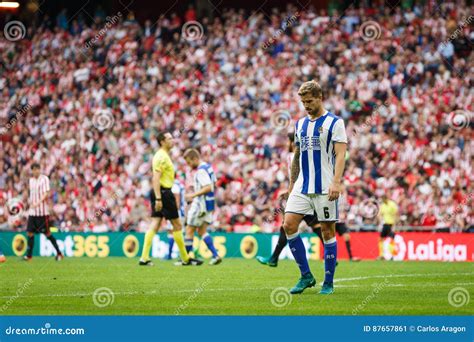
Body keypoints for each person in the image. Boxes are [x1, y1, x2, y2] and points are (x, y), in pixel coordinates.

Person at [283, 80, 347, 295]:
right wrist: (292, 183)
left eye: (309, 101)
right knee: (288, 225)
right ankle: (306, 276)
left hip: (325, 186)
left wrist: (336, 182)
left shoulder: (335, 123)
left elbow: (340, 155)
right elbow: (297, 156)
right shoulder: (300, 124)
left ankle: (328, 282)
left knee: (328, 231)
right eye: (303, 102)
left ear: (320, 98)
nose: (306, 106)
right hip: (302, 184)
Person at [256, 132, 325, 267]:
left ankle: (274, 258)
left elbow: (297, 177)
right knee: (314, 226)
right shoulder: (304, 155)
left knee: (287, 226)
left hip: (299, 196)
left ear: (292, 143)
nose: (287, 144)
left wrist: (289, 191)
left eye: (288, 141)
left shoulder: (293, 156)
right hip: (307, 194)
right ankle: (331, 256)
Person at [139, 132, 202, 266]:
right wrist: (158, 198)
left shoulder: (162, 155)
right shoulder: (162, 156)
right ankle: (185, 258)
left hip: (160, 192)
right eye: (169, 139)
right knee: (177, 225)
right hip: (164, 193)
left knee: (155, 224)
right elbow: (156, 177)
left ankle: (144, 257)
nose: (173, 141)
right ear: (162, 142)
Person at [183, 149, 222, 265]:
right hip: (209, 204)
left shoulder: (200, 171)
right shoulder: (208, 167)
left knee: (189, 230)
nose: (189, 165)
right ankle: (215, 255)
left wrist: (193, 194)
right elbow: (214, 184)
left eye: (189, 162)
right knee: (201, 231)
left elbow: (208, 187)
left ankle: (185, 259)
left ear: (195, 159)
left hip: (200, 204)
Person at [24, 163, 63, 261]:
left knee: (48, 234)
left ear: (40, 169)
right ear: (32, 171)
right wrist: (29, 203)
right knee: (29, 233)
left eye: (38, 169)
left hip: (42, 213)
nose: (36, 171)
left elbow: (46, 194)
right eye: (34, 169)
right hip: (32, 212)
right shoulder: (31, 181)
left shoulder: (44, 179)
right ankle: (29, 256)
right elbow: (31, 195)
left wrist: (37, 203)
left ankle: (59, 253)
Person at [165, 177, 186, 260]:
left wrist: (171, 211)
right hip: (181, 212)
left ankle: (170, 255)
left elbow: (177, 202)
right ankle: (184, 254)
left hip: (177, 212)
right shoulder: (179, 184)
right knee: (178, 233)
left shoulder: (175, 185)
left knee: (173, 232)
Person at [377, 194, 399, 260]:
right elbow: (379, 214)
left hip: (391, 224)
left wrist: (395, 225)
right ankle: (381, 255)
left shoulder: (392, 204)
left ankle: (392, 255)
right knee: (381, 239)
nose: (383, 201)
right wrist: (381, 221)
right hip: (385, 224)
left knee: (391, 239)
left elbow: (396, 214)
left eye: (383, 200)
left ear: (386, 199)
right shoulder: (383, 205)